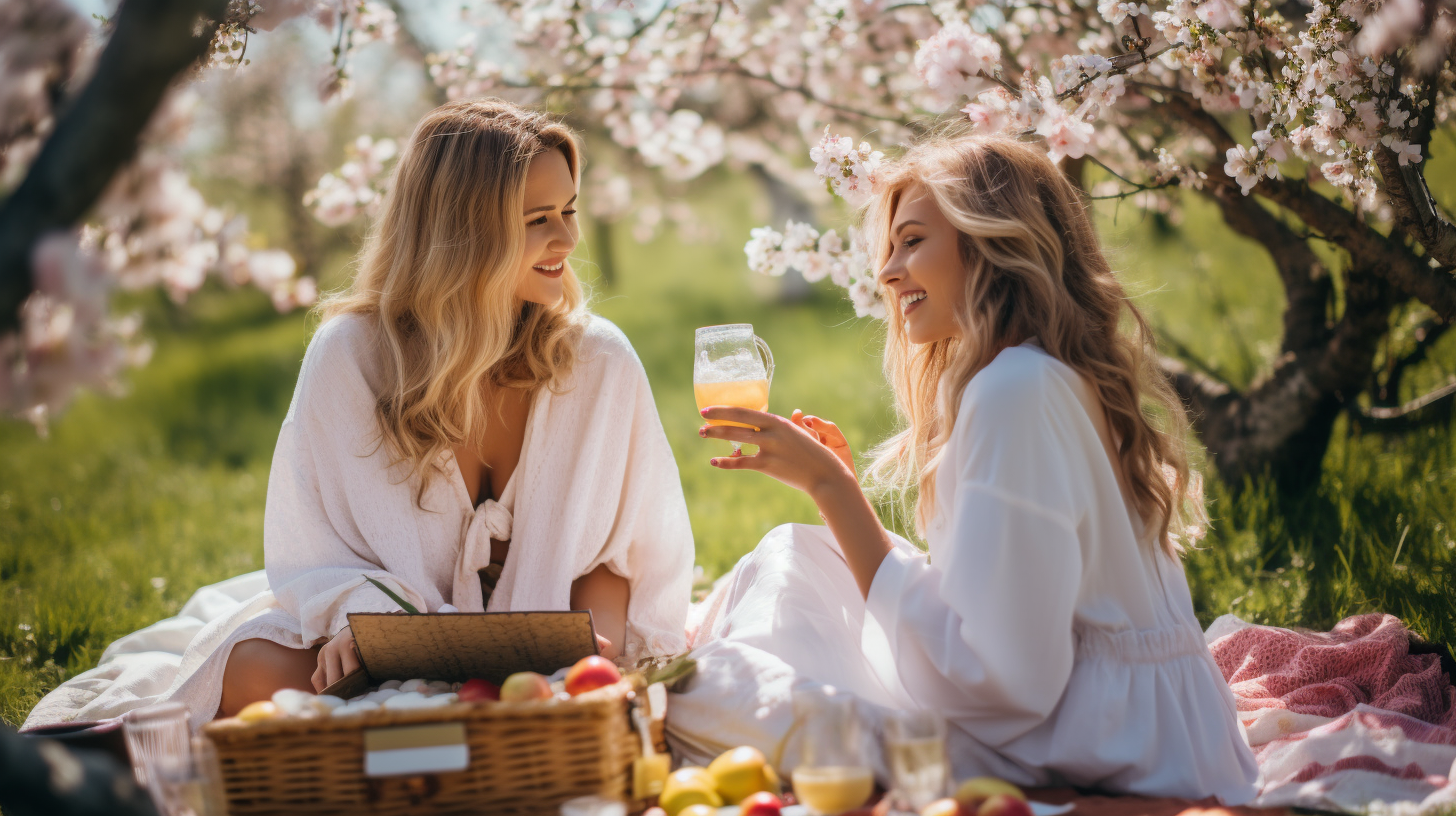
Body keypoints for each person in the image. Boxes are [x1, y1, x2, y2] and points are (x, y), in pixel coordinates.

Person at [24, 99, 694, 732]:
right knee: (251, 673)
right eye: (537, 218)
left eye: (569, 209)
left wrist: (596, 665)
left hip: (545, 648)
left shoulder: (596, 359)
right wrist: (366, 620)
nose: (568, 237)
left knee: (592, 689)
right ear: (463, 232)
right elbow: (315, 547)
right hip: (387, 643)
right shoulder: (353, 355)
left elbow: (623, 553)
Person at [669, 133, 1259, 803]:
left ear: (991, 242)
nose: (889, 274)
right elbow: (1005, 590)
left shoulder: (1015, 392)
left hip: (1101, 744)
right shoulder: (1037, 374)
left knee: (707, 690)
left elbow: (1003, 680)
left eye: (913, 241)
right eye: (888, 249)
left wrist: (830, 488)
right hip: (1141, 723)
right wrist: (842, 492)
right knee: (796, 557)